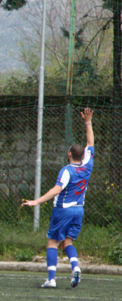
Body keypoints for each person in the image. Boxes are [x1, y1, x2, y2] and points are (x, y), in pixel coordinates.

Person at [22, 108, 95, 289]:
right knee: (67, 241)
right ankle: (75, 266)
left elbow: (57, 189)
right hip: (79, 210)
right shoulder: (87, 166)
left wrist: (36, 201)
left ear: (70, 154)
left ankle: (52, 279)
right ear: (83, 155)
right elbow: (91, 141)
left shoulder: (67, 170)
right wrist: (88, 122)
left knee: (53, 242)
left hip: (63, 210)